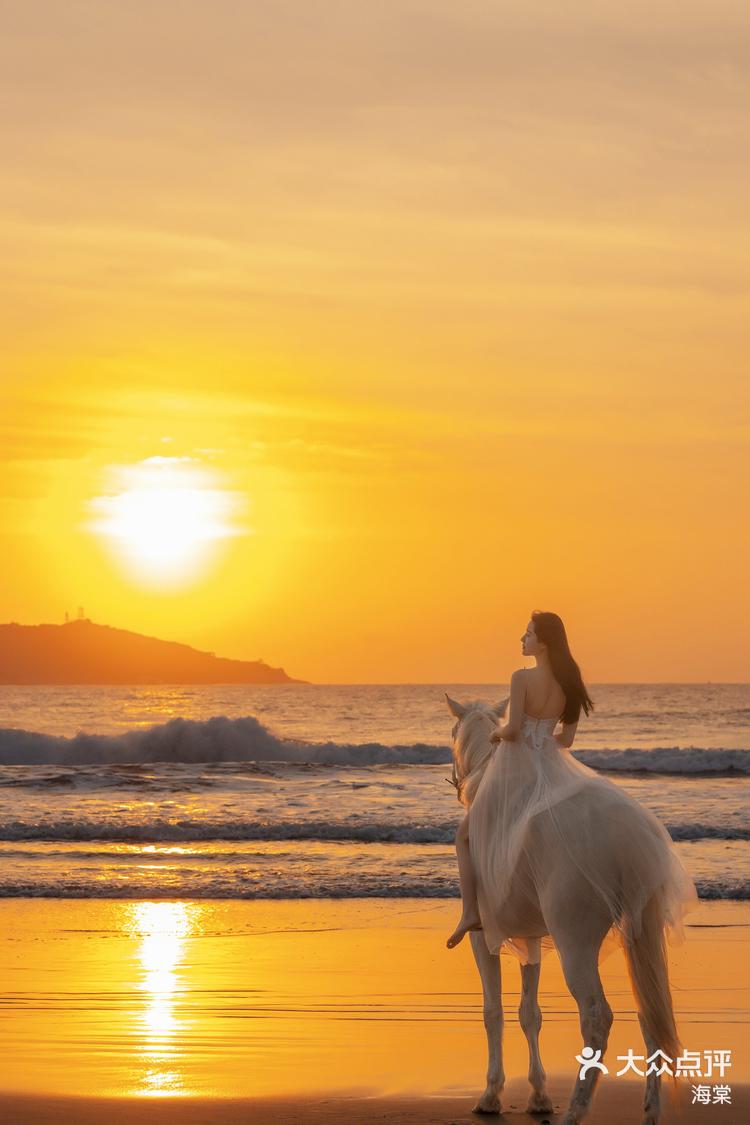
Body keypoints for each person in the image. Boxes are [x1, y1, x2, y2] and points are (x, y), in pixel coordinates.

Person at [446, 610, 697, 953]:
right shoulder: (570, 682)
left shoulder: (521, 678)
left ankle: (469, 913)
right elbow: (566, 741)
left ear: (544, 644)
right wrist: (542, 743)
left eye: (529, 634)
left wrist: (495, 734)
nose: (523, 639)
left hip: (515, 768)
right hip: (551, 767)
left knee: (464, 836)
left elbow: (515, 729)